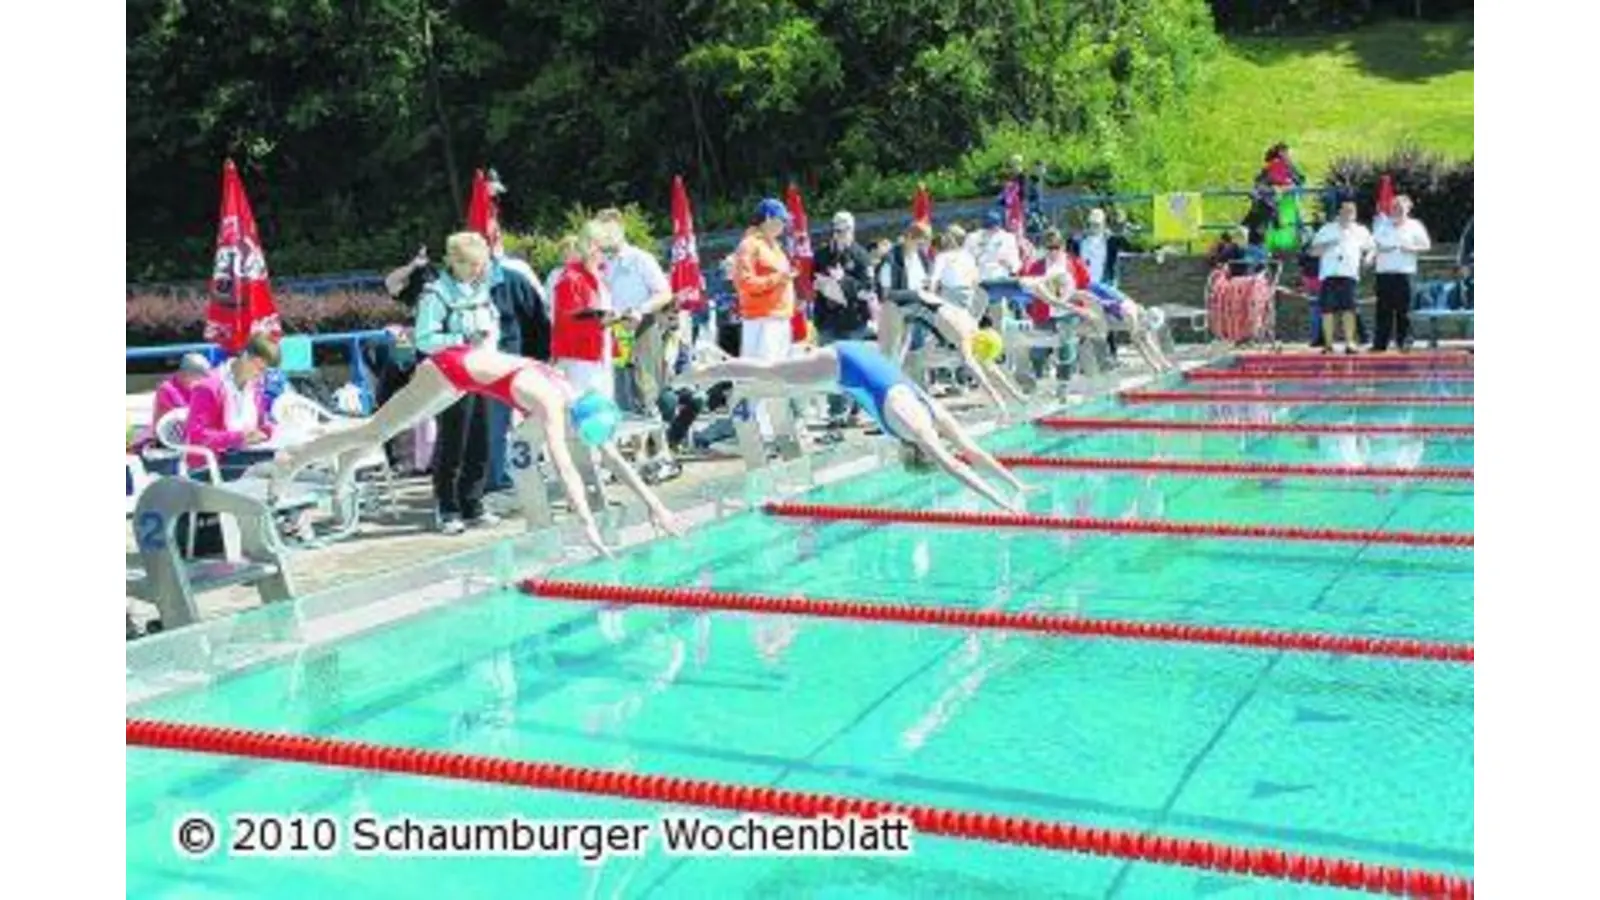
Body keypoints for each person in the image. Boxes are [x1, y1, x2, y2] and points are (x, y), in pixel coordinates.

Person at [269, 268, 683, 557]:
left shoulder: (575, 393)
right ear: (578, 422)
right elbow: (568, 471)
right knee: (375, 431)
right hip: (448, 368)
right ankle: (295, 458)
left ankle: (344, 461)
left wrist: (656, 506)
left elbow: (610, 455)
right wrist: (589, 528)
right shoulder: (553, 407)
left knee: (376, 432)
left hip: (468, 372)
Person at [680, 342, 1028, 512]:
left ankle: (719, 372)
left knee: (781, 380)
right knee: (772, 370)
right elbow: (958, 465)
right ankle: (703, 372)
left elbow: (972, 452)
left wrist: (1017, 486)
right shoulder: (917, 428)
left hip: (858, 363)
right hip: (843, 363)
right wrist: (1002, 501)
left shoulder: (931, 416)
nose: (946, 448)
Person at [877, 289, 1026, 413]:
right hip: (895, 305)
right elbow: (973, 367)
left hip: (912, 306)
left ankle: (895, 402)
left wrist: (1016, 395)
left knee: (901, 359)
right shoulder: (963, 335)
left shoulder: (973, 328)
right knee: (888, 358)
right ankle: (884, 406)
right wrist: (997, 399)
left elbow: (989, 366)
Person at [730, 198, 798, 440]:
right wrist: (777, 280)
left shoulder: (774, 245)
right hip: (761, 319)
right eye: (781, 220)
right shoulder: (749, 245)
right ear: (768, 218)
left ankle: (774, 427)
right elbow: (743, 282)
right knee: (762, 373)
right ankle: (759, 429)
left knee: (777, 374)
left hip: (779, 317)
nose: (785, 225)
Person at [1020, 270, 1175, 373]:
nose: (1146, 330)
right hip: (1087, 292)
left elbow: (1145, 338)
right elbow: (1139, 343)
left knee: (1091, 329)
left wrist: (1163, 363)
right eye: (1147, 326)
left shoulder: (1136, 311)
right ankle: (1046, 330)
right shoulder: (1131, 315)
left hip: (1091, 296)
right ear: (1145, 319)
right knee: (1096, 330)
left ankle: (1051, 334)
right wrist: (1155, 366)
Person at [812, 210, 877, 428]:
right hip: (828, 319)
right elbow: (814, 280)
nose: (840, 234)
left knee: (852, 366)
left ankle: (855, 408)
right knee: (829, 366)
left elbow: (868, 290)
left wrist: (845, 281)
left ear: (853, 230)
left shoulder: (861, 255)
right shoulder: (822, 254)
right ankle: (836, 410)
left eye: (845, 230)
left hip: (852, 321)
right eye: (837, 230)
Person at [184, 334, 280, 479]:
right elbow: (197, 436)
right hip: (214, 464)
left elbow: (259, 423)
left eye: (266, 371)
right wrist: (238, 437)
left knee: (291, 464)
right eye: (260, 369)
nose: (262, 376)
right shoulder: (208, 387)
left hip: (246, 456)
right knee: (277, 473)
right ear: (246, 357)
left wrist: (267, 430)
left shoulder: (256, 386)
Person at [1309, 200, 1376, 355]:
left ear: (1355, 215)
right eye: (1345, 212)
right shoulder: (1327, 229)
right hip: (1329, 274)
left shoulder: (1361, 230)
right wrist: (1327, 244)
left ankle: (1350, 343)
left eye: (1351, 212)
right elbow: (1313, 252)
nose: (1348, 215)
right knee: (1327, 311)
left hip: (1349, 274)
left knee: (1349, 310)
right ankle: (1328, 344)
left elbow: (1372, 248)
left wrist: (1368, 258)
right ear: (1339, 213)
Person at [1372, 195, 1432, 353]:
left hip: (1405, 273)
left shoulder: (1415, 225)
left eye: (1400, 207)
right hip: (1384, 273)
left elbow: (1426, 246)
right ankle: (1380, 344)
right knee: (1383, 310)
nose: (1397, 210)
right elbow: (1371, 244)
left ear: (1408, 209)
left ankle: (1404, 342)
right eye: (1394, 207)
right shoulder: (1382, 224)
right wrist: (1381, 249)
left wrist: (1411, 249)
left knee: (1404, 311)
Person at [928, 225, 982, 319]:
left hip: (949, 296)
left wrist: (930, 296)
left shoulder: (943, 257)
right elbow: (975, 279)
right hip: (968, 294)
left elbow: (934, 279)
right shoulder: (969, 257)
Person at [151, 352, 211, 433]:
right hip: (168, 435)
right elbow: (179, 420)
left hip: (191, 433)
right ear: (184, 374)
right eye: (198, 378)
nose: (202, 382)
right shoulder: (167, 389)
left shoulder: (198, 388)